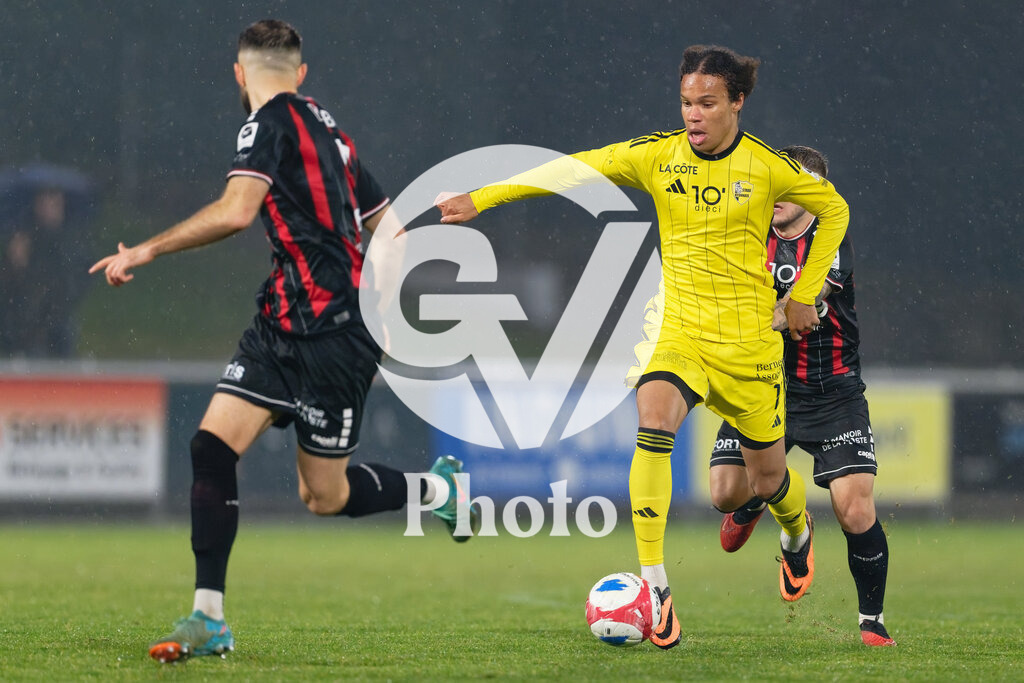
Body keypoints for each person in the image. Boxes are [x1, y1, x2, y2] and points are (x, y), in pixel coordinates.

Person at [436, 45, 849, 649]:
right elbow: (572, 169)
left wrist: (805, 295)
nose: (694, 115)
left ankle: (795, 533)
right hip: (676, 330)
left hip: (748, 345)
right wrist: (485, 196)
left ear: (737, 102)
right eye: (686, 102)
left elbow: (833, 209)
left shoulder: (767, 169)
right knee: (653, 421)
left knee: (767, 479)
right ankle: (656, 588)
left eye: (707, 103)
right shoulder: (658, 156)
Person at [90, 19, 474, 663]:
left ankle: (439, 491)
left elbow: (238, 211)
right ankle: (208, 617)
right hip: (282, 327)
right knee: (210, 447)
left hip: (334, 339)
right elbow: (395, 230)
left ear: (240, 76)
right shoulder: (334, 133)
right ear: (300, 72)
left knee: (325, 497)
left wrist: (148, 249)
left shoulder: (264, 124)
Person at [708, 145, 894, 646]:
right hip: (763, 384)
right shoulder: (747, 235)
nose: (783, 194)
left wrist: (745, 319)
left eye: (799, 186)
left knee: (855, 509)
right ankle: (776, 512)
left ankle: (871, 623)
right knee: (724, 494)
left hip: (833, 394)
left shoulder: (831, 240)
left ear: (818, 195)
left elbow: (800, 309)